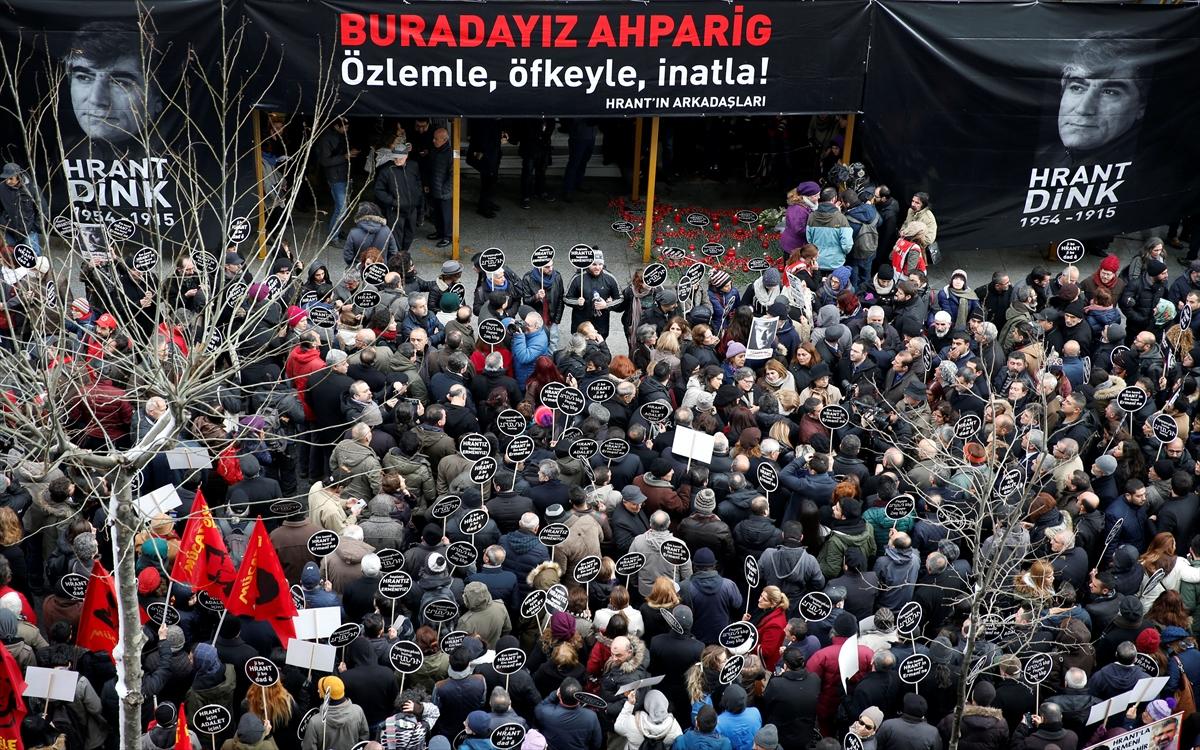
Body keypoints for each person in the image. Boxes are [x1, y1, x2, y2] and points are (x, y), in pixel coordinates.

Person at [317, 118, 359, 243]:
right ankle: (333, 237)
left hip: (343, 174)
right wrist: (346, 156)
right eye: (344, 127)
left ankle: (337, 231)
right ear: (336, 126)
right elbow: (325, 161)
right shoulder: (326, 139)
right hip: (335, 177)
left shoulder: (341, 136)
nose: (346, 129)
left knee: (341, 207)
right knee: (341, 208)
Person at [0, 163, 41, 255]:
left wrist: (35, 227)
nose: (8, 181)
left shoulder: (32, 188)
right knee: (10, 256)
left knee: (33, 257)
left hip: (29, 230)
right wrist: (3, 223)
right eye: (6, 178)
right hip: (9, 230)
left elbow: (42, 210)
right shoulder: (1, 188)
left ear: (19, 176)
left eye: (11, 178)